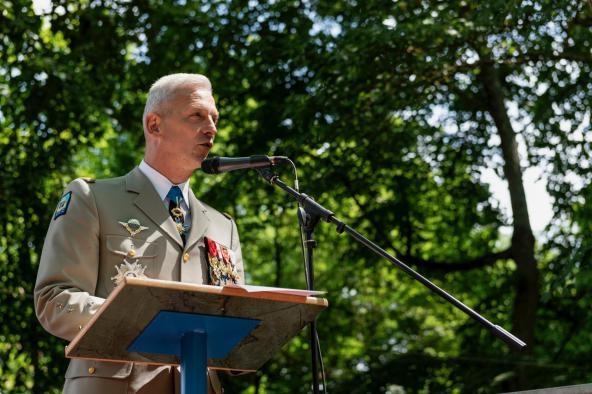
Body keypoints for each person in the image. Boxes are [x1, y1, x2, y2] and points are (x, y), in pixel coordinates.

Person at [34, 73, 244, 393]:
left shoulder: (222, 226)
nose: (211, 128)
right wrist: (145, 318)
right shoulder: (93, 199)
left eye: (214, 118)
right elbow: (54, 300)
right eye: (197, 115)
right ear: (154, 125)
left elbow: (236, 327)